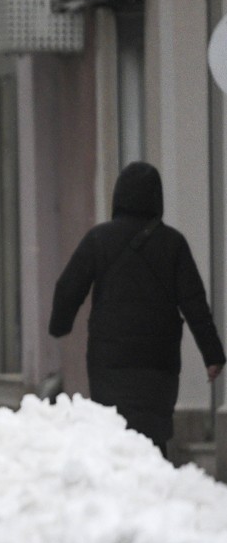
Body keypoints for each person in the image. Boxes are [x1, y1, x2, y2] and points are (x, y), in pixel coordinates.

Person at [49, 160, 225, 457]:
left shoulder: (99, 239)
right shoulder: (173, 245)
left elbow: (68, 287)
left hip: (109, 360)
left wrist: (60, 325)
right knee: (152, 435)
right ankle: (153, 490)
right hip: (159, 361)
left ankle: (119, 494)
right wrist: (213, 354)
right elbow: (194, 303)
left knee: (113, 432)